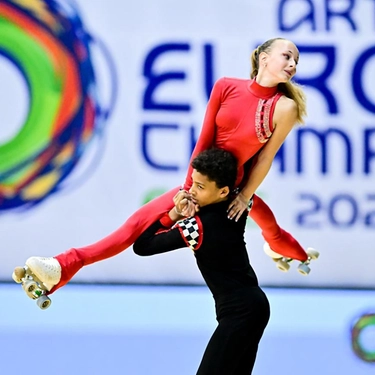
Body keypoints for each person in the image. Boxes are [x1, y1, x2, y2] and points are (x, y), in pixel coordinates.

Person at [17, 37, 309, 293]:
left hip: (231, 189)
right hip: (200, 181)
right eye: (287, 56)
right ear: (264, 57)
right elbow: (204, 138)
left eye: (296, 60)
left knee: (273, 231)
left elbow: (266, 157)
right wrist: (188, 190)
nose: (293, 64)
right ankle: (60, 267)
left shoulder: (285, 107)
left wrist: (244, 195)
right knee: (133, 227)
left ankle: (299, 255)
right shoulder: (226, 86)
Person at [133, 148, 270, 375]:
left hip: (240, 312)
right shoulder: (238, 203)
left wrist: (175, 214)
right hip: (255, 305)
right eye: (193, 183)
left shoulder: (196, 227)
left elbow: (142, 246)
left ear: (223, 190)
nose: (191, 191)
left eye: (200, 187)